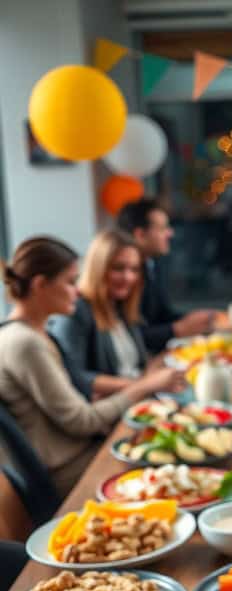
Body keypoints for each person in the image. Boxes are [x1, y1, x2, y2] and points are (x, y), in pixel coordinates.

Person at [0, 236, 186, 496]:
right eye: (70, 282)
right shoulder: (26, 343)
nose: (77, 291)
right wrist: (142, 387)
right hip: (74, 469)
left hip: (85, 451)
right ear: (40, 285)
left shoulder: (32, 335)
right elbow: (82, 420)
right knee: (178, 469)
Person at [51, 228, 160, 400]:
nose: (128, 277)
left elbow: (137, 364)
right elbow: (73, 376)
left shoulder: (121, 306)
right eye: (118, 268)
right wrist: (143, 385)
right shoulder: (76, 310)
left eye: (134, 269)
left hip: (137, 399)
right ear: (98, 268)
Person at [116, 198, 217, 350]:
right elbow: (129, 336)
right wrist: (177, 329)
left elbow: (162, 315)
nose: (170, 233)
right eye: (163, 229)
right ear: (140, 235)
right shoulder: (124, 279)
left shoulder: (152, 264)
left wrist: (197, 321)